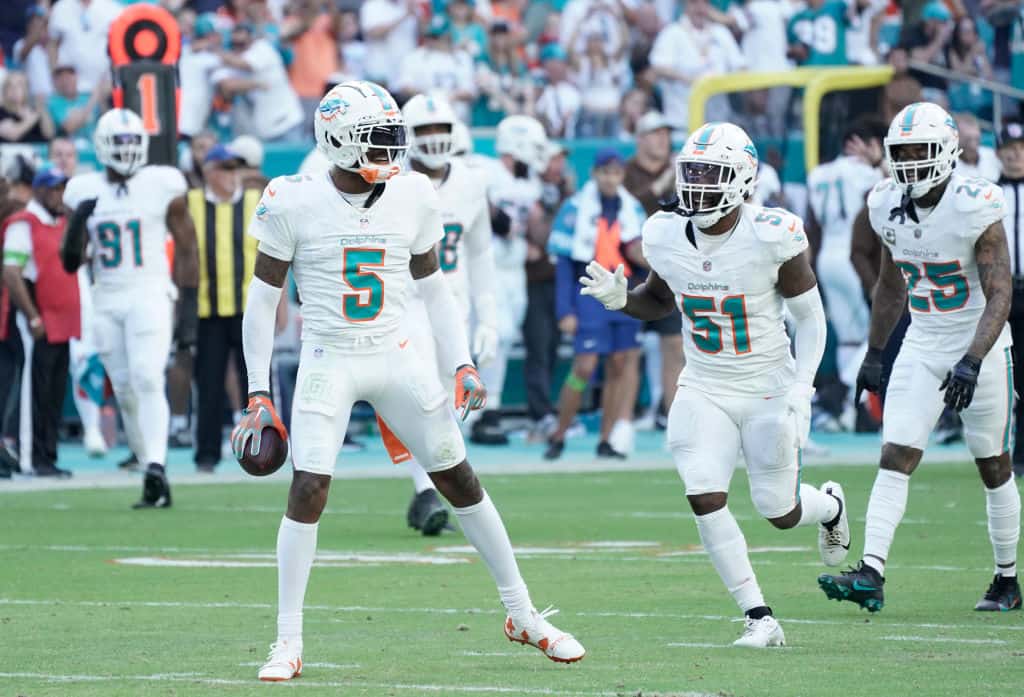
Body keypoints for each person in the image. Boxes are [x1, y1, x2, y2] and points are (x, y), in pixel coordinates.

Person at [233, 81, 585, 681]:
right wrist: (258, 390)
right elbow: (261, 302)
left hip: (397, 352)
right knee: (308, 489)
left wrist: (462, 361)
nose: (392, 153)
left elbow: (435, 286)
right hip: (329, 356)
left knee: (459, 476)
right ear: (337, 142)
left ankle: (523, 613)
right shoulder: (292, 198)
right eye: (377, 140)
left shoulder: (413, 194)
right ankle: (286, 640)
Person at [580, 121, 851, 647]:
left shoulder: (773, 234)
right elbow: (659, 299)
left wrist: (802, 387)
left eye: (713, 173)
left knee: (780, 511)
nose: (698, 183)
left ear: (743, 179)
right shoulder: (663, 232)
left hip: (767, 383)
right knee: (703, 493)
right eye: (693, 171)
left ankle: (830, 507)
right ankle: (759, 616)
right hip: (704, 384)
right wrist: (622, 300)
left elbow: (812, 321)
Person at [819, 102, 1021, 613]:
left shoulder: (975, 202)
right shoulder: (886, 200)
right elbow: (891, 284)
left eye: (920, 151)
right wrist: (874, 352)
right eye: (901, 152)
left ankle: (1006, 577)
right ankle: (871, 572)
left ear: (948, 152)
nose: (909, 162)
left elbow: (1000, 292)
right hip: (924, 341)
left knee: (993, 464)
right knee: (896, 452)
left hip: (981, 340)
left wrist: (973, 360)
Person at [60, 108, 199, 508]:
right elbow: (70, 262)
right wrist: (75, 226)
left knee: (146, 376)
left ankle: (156, 465)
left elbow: (187, 248)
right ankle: (148, 464)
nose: (126, 149)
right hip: (105, 296)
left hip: (149, 290)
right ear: (103, 146)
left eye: (131, 141)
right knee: (123, 388)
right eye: (119, 142)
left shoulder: (162, 183)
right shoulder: (82, 189)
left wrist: (187, 310)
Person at [382, 93, 500, 534]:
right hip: (405, 301)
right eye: (424, 131)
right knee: (423, 396)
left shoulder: (471, 182)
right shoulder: (395, 182)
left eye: (440, 130)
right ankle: (427, 490)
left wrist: (489, 317)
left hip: (454, 302)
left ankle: (432, 491)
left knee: (449, 402)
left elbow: (481, 253)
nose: (433, 140)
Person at [545, 149, 645, 460]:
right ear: (595, 174)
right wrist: (565, 309)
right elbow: (564, 264)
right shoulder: (574, 208)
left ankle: (606, 438)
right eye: (605, 172)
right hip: (589, 292)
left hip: (624, 292)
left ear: (622, 176)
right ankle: (559, 433)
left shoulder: (633, 209)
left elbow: (642, 260)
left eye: (616, 173)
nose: (610, 179)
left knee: (619, 364)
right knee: (584, 366)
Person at [186, 143, 265, 472]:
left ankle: (264, 448)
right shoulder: (189, 204)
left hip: (249, 308)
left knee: (257, 383)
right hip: (208, 309)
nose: (233, 176)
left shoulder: (254, 202)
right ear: (209, 173)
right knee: (209, 384)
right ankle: (206, 455)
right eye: (226, 169)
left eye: (236, 169)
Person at [471, 114, 549, 445]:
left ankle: (492, 409)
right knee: (493, 337)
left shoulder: (529, 183)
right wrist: (499, 219)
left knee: (505, 338)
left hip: (514, 269)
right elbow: (470, 195)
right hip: (484, 266)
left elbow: (532, 227)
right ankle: (480, 411)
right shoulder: (484, 171)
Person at [2, 166, 78, 477]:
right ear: (39, 191)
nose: (60, 194)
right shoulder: (23, 224)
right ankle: (30, 456)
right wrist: (32, 316)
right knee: (33, 391)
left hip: (62, 323)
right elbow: (11, 273)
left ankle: (47, 455)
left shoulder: (60, 222)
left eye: (63, 188)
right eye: (55, 188)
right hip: (37, 321)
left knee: (53, 393)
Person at [805, 117, 886, 412]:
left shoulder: (819, 173)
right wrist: (878, 165)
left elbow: (812, 223)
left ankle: (850, 410)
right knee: (878, 332)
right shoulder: (865, 172)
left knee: (849, 338)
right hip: (854, 255)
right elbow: (885, 197)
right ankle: (839, 391)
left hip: (826, 255)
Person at [623, 111, 684, 428]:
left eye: (665, 133)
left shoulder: (681, 173)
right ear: (640, 139)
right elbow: (632, 207)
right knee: (627, 348)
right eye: (655, 133)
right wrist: (663, 182)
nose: (662, 140)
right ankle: (623, 418)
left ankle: (671, 415)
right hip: (631, 268)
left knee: (674, 342)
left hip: (666, 267)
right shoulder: (626, 172)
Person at [996, 121, 1024, 477]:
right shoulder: (988, 195)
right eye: (1010, 149)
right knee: (1004, 379)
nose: (1016, 155)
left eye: (1020, 149)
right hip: (1000, 292)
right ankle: (997, 451)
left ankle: (1019, 455)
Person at [955, 112, 1001, 183]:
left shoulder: (992, 155)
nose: (972, 145)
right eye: (967, 139)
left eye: (975, 138)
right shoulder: (950, 164)